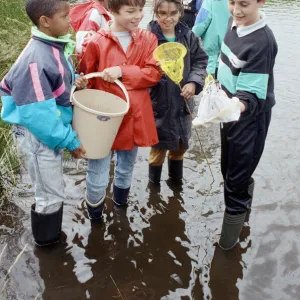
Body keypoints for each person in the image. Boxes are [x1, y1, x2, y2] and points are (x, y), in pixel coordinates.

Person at [0, 0, 87, 246]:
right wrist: (71, 141)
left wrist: (75, 80)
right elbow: (38, 115)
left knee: (50, 189)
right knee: (49, 194)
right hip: (36, 136)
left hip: (44, 132)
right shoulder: (36, 59)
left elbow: (52, 84)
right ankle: (47, 248)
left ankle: (49, 245)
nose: (70, 21)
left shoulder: (51, 46)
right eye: (64, 16)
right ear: (45, 22)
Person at [78, 0, 161, 221]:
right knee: (97, 172)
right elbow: (86, 75)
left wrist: (121, 71)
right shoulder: (96, 41)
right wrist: (80, 82)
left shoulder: (148, 39)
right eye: (130, 11)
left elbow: (153, 74)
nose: (138, 16)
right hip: (102, 119)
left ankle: (119, 207)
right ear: (112, 11)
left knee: (126, 167)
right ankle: (96, 218)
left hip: (134, 116)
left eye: (141, 9)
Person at [217, 0, 278, 250]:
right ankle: (245, 212)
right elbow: (225, 64)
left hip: (248, 116)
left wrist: (229, 108)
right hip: (229, 110)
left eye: (244, 4)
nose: (236, 10)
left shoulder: (263, 42)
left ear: (261, 1)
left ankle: (227, 248)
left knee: (235, 181)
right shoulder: (235, 22)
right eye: (231, 2)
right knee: (227, 169)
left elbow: (250, 96)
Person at [147, 0, 207, 185]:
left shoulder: (189, 36)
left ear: (180, 12)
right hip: (159, 106)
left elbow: (200, 62)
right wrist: (153, 71)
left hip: (183, 105)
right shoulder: (148, 38)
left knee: (180, 147)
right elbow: (139, 69)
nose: (168, 18)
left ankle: (176, 184)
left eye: (173, 13)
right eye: (162, 13)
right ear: (155, 13)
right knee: (158, 150)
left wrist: (194, 83)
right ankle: (154, 187)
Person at [192, 0, 230, 77]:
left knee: (209, 83)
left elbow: (200, 25)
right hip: (230, 52)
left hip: (212, 54)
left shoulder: (210, 1)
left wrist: (190, 38)